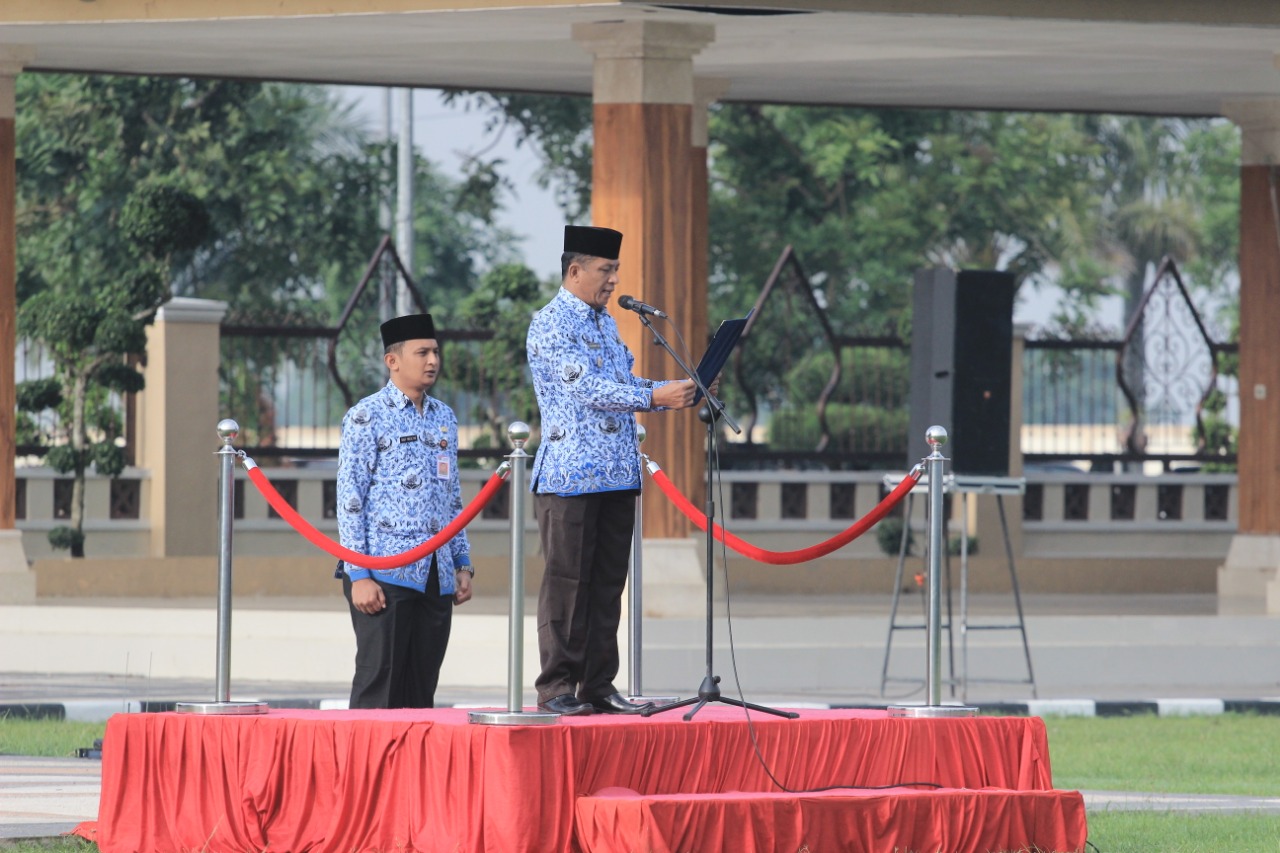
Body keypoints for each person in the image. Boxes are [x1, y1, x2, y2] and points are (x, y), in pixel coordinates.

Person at [526, 225, 700, 716]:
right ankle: (556, 687)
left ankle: (597, 684)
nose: (613, 280)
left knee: (606, 585)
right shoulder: (551, 323)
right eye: (605, 270)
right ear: (575, 270)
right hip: (570, 476)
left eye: (615, 271)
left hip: (617, 473)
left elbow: (619, 380)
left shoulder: (605, 322)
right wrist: (652, 397)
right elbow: (587, 389)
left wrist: (672, 391)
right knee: (567, 584)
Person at [335, 313, 473, 709]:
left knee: (421, 691)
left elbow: (453, 497)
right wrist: (358, 574)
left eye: (435, 352)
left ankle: (413, 773)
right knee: (379, 686)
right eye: (422, 352)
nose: (432, 360)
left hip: (436, 573)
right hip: (384, 573)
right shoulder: (366, 415)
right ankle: (365, 770)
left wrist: (461, 564)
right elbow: (350, 497)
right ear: (392, 361)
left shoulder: (444, 416)